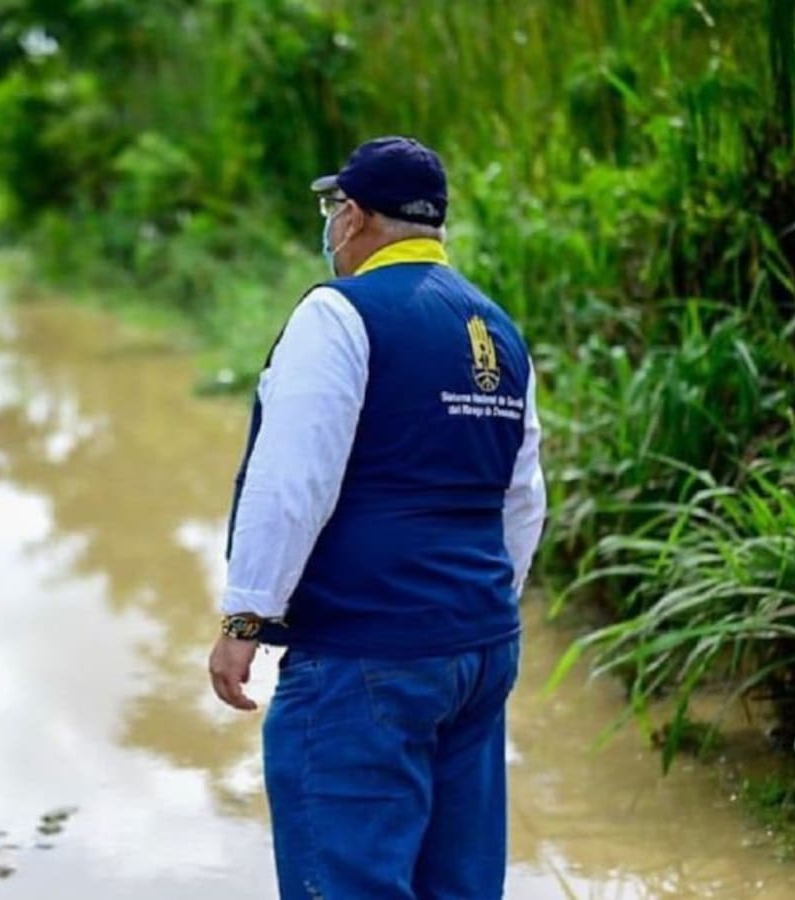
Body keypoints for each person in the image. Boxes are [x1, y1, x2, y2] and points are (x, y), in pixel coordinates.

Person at [208, 137, 547, 899]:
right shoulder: (498, 329)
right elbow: (523, 500)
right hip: (479, 646)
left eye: (333, 211)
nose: (331, 228)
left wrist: (244, 620)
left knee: (350, 881)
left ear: (354, 216)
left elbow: (293, 480)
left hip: (366, 653)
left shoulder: (340, 314)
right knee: (457, 885)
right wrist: (475, 604)